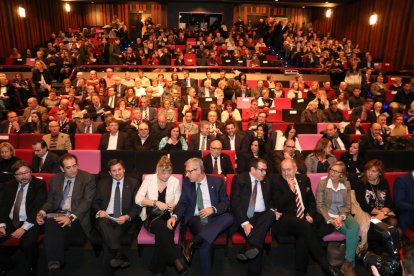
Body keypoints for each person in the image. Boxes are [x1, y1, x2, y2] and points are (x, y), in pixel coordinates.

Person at [166, 158, 234, 276]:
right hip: (196, 219)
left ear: (198, 170)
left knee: (229, 217)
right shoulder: (187, 183)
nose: (186, 175)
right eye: (186, 172)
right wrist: (175, 217)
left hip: (215, 216)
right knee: (207, 243)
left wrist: (212, 209)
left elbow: (225, 203)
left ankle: (191, 242)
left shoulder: (217, 181)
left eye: (189, 171)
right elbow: (182, 203)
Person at [273, 159, 339, 276]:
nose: (286, 173)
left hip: (303, 219)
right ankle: (325, 265)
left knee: (303, 234)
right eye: (283, 170)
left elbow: (312, 203)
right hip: (285, 220)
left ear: (295, 169)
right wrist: (291, 191)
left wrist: (309, 214)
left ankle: (301, 272)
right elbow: (277, 205)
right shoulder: (276, 182)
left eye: (289, 170)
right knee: (305, 227)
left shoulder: (304, 179)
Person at [36, 153, 96, 275]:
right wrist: (41, 212)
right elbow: (50, 201)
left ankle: (53, 265)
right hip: (57, 215)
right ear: (62, 169)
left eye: (75, 166)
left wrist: (70, 217)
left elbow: (87, 202)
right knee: (51, 222)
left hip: (76, 219)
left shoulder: (88, 178)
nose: (73, 170)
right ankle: (54, 266)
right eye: (68, 168)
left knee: (51, 226)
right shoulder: (55, 179)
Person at [135, 156, 187, 275]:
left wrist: (173, 205)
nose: (166, 176)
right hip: (152, 216)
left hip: (170, 215)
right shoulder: (149, 179)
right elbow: (138, 199)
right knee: (163, 229)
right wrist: (155, 202)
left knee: (163, 233)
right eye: (163, 173)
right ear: (157, 170)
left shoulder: (174, 181)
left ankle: (158, 270)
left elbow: (179, 201)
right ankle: (176, 260)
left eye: (169, 173)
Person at [91, 159, 141, 269]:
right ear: (109, 173)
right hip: (106, 217)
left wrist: (127, 216)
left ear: (124, 169)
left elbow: (137, 205)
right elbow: (94, 202)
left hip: (124, 219)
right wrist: (100, 211)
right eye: (114, 171)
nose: (117, 173)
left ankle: (116, 256)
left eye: (119, 169)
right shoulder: (102, 183)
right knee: (103, 222)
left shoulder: (133, 182)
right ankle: (118, 253)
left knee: (108, 240)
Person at [230, 158, 276, 275]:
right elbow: (235, 204)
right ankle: (251, 253)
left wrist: (273, 209)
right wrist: (245, 223)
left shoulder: (267, 181)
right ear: (252, 169)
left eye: (266, 170)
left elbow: (271, 201)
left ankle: (247, 247)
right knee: (257, 238)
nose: (265, 173)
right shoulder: (239, 179)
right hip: (244, 217)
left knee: (271, 213)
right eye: (262, 170)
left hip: (262, 217)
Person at [0, 160, 47, 276]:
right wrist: (2, 225)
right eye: (20, 174)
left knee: (28, 244)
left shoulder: (39, 185)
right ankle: (7, 263)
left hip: (30, 221)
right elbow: (2, 206)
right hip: (11, 221)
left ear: (31, 172)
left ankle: (32, 265)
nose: (24, 176)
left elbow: (37, 207)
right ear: (14, 176)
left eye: (27, 172)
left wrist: (23, 228)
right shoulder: (8, 185)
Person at [316, 161, 359, 276]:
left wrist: (341, 216)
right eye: (331, 170)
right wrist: (331, 220)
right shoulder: (323, 183)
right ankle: (350, 265)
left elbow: (348, 205)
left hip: (343, 214)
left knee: (355, 227)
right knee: (352, 232)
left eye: (336, 171)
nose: (332, 173)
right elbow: (319, 205)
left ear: (341, 174)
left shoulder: (346, 184)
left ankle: (347, 263)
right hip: (330, 215)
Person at [354, 160, 400, 253]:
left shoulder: (383, 182)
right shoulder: (360, 182)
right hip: (368, 214)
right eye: (368, 170)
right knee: (391, 227)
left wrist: (383, 213)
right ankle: (381, 251)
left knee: (393, 224)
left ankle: (386, 252)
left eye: (374, 171)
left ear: (380, 173)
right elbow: (363, 205)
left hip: (383, 213)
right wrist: (381, 213)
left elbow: (388, 201)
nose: (369, 173)